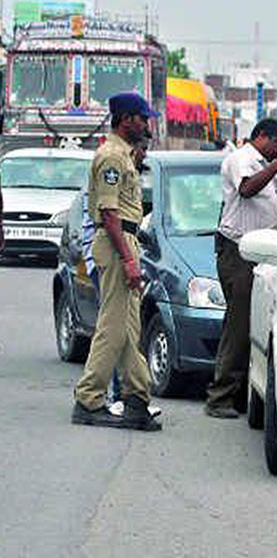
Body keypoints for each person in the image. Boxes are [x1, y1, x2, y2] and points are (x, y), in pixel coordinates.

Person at [71, 92, 161, 431]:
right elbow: (109, 215)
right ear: (126, 119)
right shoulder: (112, 157)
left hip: (124, 240)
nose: (147, 123)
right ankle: (88, 398)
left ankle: (137, 396)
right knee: (112, 326)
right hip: (115, 243)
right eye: (142, 118)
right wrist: (129, 260)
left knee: (128, 326)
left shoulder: (124, 155)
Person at [205, 118, 277, 419]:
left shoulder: (260, 162)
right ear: (262, 137)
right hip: (239, 252)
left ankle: (239, 395)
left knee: (253, 325)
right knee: (239, 325)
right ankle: (220, 397)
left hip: (260, 254)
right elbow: (247, 190)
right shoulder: (242, 159)